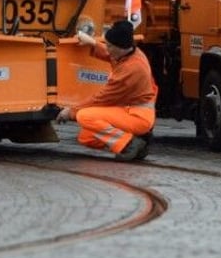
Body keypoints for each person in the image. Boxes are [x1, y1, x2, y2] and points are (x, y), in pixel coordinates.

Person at [55, 20, 158, 161]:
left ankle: (129, 144)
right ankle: (135, 140)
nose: (107, 49)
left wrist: (72, 111)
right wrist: (92, 43)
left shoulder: (132, 69)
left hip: (138, 117)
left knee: (84, 116)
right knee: (86, 137)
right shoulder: (131, 53)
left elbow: (102, 98)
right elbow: (110, 54)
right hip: (128, 111)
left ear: (120, 47)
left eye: (109, 45)